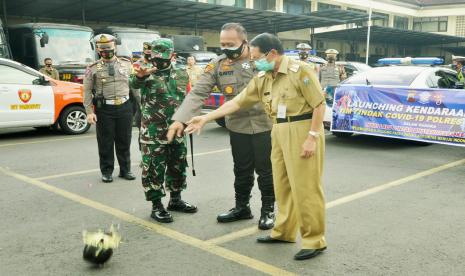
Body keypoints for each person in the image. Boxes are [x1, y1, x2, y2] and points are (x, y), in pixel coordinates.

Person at [184, 33, 327, 261]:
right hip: (277, 130)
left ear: (271, 53)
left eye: (256, 57)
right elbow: (237, 101)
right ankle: (284, 232)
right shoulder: (263, 76)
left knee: (305, 188)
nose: (253, 62)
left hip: (301, 129)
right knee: (282, 186)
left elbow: (319, 105)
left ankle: (314, 240)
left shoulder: (300, 70)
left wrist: (312, 136)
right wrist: (205, 118)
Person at [166, 23, 275, 230]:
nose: (226, 48)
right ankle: (242, 207)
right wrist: (179, 118)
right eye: (222, 44)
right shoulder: (218, 65)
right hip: (237, 125)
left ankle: (268, 210)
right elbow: (198, 93)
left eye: (230, 44)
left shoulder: (261, 60)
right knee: (241, 169)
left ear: (245, 41)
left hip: (265, 124)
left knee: (266, 170)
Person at [130, 38, 197, 223]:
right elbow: (134, 84)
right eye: (155, 58)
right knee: (153, 169)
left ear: (172, 56)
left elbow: (189, 98)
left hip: (177, 130)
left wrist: (189, 119)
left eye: (163, 59)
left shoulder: (182, 74)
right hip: (153, 132)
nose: (158, 62)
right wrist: (141, 76)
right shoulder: (145, 72)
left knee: (178, 165)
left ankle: (175, 200)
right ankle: (156, 205)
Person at [83, 34, 136, 183]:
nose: (106, 52)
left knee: (124, 140)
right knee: (105, 142)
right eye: (103, 49)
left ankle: (126, 170)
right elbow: (86, 91)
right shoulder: (92, 68)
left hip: (125, 107)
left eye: (109, 48)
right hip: (104, 108)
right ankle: (106, 172)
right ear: (99, 50)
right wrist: (89, 112)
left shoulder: (127, 64)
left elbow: (134, 88)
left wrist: (143, 106)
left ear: (115, 47)